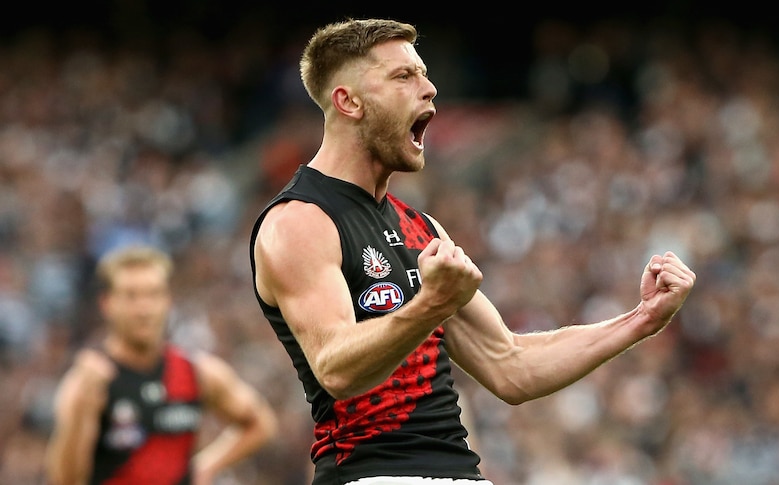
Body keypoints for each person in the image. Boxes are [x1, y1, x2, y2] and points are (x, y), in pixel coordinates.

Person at [249, 18, 696, 485]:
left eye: (423, 73)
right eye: (404, 76)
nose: (430, 88)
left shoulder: (420, 227)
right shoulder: (299, 221)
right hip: (371, 474)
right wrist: (431, 304)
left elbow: (511, 365)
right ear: (348, 101)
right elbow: (336, 368)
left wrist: (642, 320)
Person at [45, 245, 278, 485]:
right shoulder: (91, 382)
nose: (144, 309)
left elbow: (260, 423)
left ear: (167, 300)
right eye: (131, 296)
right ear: (107, 303)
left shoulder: (196, 372)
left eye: (153, 294)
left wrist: (207, 465)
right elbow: (65, 480)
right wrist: (82, 409)